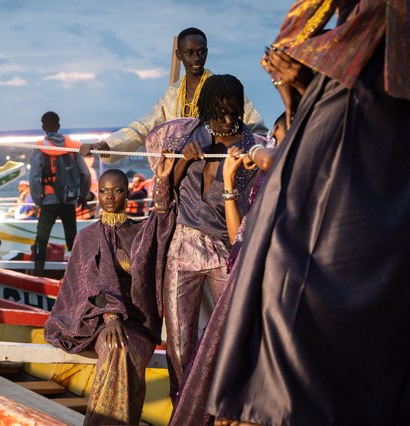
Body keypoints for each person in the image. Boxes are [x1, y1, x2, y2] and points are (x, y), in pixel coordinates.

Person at [204, 2, 410, 425]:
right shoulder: (331, 86)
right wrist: (292, 82)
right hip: (349, 87)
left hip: (365, 90)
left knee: (290, 262)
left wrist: (297, 68)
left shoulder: (353, 79)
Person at [145, 75, 266, 404]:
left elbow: (257, 203)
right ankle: (182, 409)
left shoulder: (253, 145)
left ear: (239, 108)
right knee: (180, 344)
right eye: (217, 113)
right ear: (205, 111)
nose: (225, 120)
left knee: (232, 332)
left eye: (231, 112)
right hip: (183, 247)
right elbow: (163, 198)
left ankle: (226, 407)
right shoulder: (187, 135)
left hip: (227, 250)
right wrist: (182, 161)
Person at [169, 113, 286, 425]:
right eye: (275, 138)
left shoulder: (294, 174)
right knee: (193, 347)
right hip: (247, 273)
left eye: (284, 139)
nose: (277, 144)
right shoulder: (259, 180)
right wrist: (230, 182)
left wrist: (255, 153)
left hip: (278, 283)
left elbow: (273, 160)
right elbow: (240, 239)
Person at [45, 167, 171, 425]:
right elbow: (84, 286)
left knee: (132, 349)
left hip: (137, 321)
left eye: (117, 190)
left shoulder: (140, 234)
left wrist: (164, 180)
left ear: (127, 193)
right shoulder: (86, 237)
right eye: (103, 191)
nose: (110, 196)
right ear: (97, 194)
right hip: (95, 320)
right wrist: (111, 315)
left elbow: (164, 220)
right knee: (114, 347)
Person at [80, 27, 267, 163]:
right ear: (179, 55)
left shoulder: (221, 90)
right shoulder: (172, 94)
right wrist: (104, 146)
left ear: (207, 52)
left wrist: (245, 153)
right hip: (180, 172)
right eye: (190, 53)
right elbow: (141, 129)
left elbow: (257, 131)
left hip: (219, 167)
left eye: (201, 52)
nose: (196, 58)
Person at [29, 111, 91, 276]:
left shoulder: (40, 147)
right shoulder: (71, 145)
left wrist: (37, 199)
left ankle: (38, 273)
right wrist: (83, 196)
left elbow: (34, 175)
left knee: (41, 238)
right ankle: (79, 273)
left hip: (48, 200)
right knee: (72, 239)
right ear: (58, 126)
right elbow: (85, 173)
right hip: (69, 199)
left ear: (43, 127)